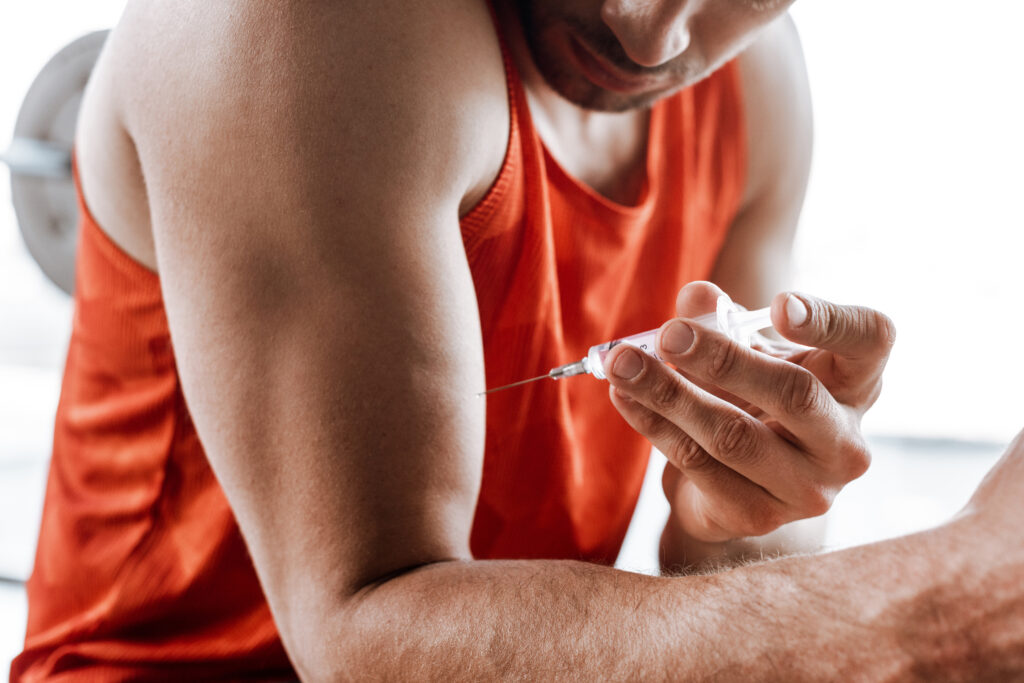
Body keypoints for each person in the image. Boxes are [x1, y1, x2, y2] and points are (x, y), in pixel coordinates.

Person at [11, 0, 1023, 680]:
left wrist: (735, 510)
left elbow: (737, 580)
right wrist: (925, 617)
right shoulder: (299, 25)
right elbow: (359, 636)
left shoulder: (757, 84)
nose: (649, 32)